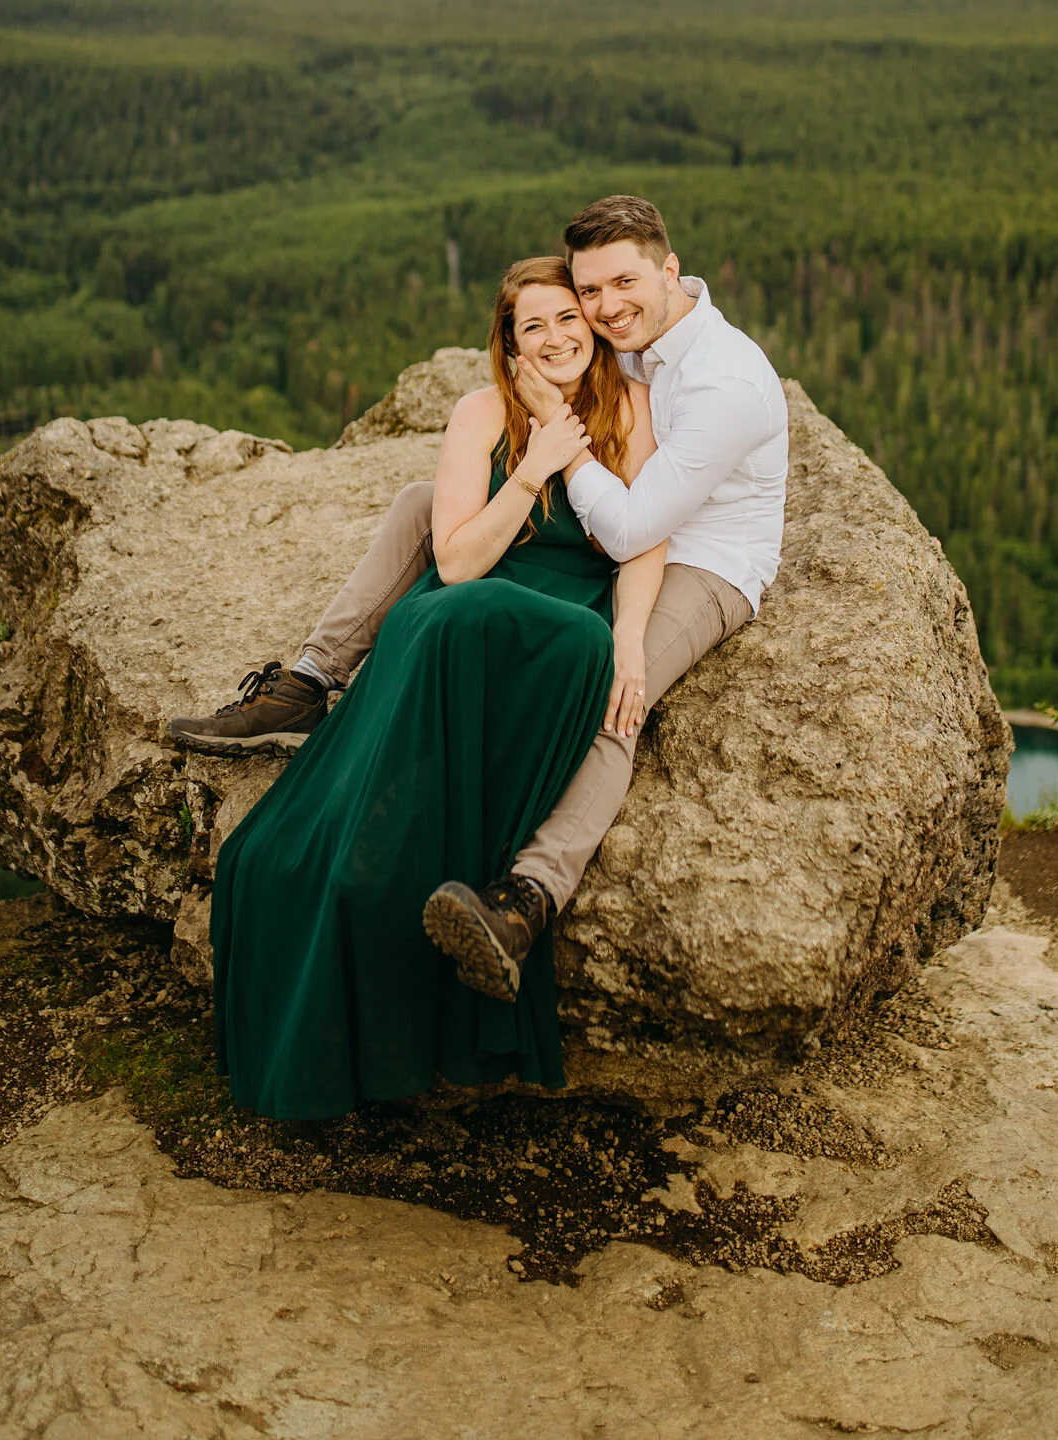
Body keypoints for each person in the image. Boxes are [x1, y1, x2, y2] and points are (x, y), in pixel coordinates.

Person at [173, 192, 788, 1011]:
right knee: (421, 506)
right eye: (589, 290)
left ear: (670, 272)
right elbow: (562, 382)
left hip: (699, 558)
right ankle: (311, 679)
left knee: (615, 693)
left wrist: (556, 461)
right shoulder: (630, 335)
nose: (603, 310)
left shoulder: (726, 381)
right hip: (612, 511)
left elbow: (638, 529)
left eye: (620, 287)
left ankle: (527, 898)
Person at [209, 256, 665, 1118]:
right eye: (535, 326)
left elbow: (644, 543)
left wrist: (629, 642)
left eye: (570, 317)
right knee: (284, 860)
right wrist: (538, 462)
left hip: (563, 627)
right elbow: (455, 563)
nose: (560, 336)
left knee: (563, 634)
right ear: (510, 343)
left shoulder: (631, 409)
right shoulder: (482, 413)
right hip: (465, 610)